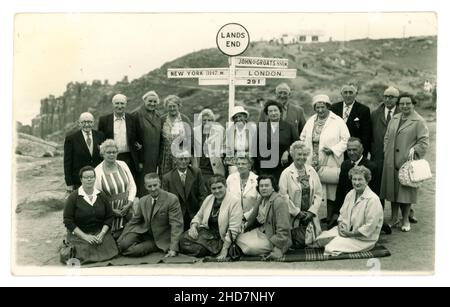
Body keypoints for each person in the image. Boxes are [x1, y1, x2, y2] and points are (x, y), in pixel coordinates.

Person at [380, 94, 429, 232]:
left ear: (413, 104)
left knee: (406, 192)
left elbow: (424, 142)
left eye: (408, 103)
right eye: (402, 104)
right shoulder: (395, 118)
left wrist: (414, 151)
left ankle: (405, 219)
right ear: (398, 105)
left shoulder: (418, 121)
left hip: (407, 162)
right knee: (392, 190)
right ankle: (394, 218)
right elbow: (387, 137)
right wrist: (386, 151)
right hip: (391, 161)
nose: (405, 106)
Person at [300, 94, 350, 224]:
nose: (320, 110)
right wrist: (304, 151)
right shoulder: (311, 120)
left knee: (331, 190)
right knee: (313, 189)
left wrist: (333, 149)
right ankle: (313, 218)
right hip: (312, 159)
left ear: (328, 106)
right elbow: (303, 137)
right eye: (317, 107)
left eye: (322, 107)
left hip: (330, 159)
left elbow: (346, 140)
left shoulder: (337, 120)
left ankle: (330, 218)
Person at [316, 166, 384, 256]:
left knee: (329, 248)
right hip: (347, 231)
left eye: (360, 179)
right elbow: (342, 214)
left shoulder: (373, 199)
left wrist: (350, 234)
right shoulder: (350, 194)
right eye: (354, 179)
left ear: (367, 181)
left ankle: (338, 241)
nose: (356, 183)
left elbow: (370, 227)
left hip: (363, 239)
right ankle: (338, 239)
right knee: (319, 240)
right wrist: (341, 227)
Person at [331, 137, 392, 233]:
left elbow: (376, 192)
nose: (351, 153)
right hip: (349, 205)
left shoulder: (372, 166)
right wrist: (335, 212)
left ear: (362, 150)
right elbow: (340, 190)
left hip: (364, 207)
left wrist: (379, 215)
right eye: (349, 150)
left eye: (354, 150)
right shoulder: (345, 165)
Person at [117, 173, 184, 257]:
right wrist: (121, 238)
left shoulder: (171, 199)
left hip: (160, 238)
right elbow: (134, 221)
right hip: (143, 232)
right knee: (122, 245)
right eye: (149, 186)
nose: (153, 189)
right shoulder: (143, 200)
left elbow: (176, 225)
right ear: (145, 186)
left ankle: (152, 247)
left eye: (155, 185)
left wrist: (173, 248)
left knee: (133, 251)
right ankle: (127, 246)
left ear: (160, 183)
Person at [63, 166, 118, 264]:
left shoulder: (101, 195)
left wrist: (102, 234)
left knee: (111, 250)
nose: (89, 179)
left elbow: (109, 216)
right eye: (86, 177)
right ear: (81, 179)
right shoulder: (73, 197)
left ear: (94, 178)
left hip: (98, 231)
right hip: (80, 233)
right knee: (83, 252)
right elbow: (68, 221)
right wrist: (85, 236)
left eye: (92, 177)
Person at [180, 175, 243, 260]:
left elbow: (233, 229)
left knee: (199, 249)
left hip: (222, 238)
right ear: (210, 189)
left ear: (225, 186)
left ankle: (208, 250)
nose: (217, 191)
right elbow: (199, 216)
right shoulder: (209, 198)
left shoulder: (234, 201)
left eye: (220, 187)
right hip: (207, 234)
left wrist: (225, 249)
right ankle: (204, 250)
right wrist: (193, 226)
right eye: (214, 188)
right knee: (182, 240)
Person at [279, 141, 323, 248]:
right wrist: (296, 212)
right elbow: (283, 196)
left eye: (304, 154)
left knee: (314, 241)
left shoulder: (311, 170)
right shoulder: (286, 173)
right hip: (293, 216)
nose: (302, 157)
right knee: (297, 242)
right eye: (299, 154)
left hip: (310, 215)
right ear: (293, 155)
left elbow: (318, 193)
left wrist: (312, 211)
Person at [236, 175, 291, 260]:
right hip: (262, 231)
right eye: (261, 186)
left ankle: (266, 248)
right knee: (238, 237)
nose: (263, 188)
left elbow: (284, 228)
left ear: (273, 188)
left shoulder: (279, 202)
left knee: (249, 248)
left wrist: (278, 248)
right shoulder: (262, 198)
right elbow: (253, 214)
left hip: (273, 236)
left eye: (267, 185)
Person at [94, 139, 137, 239]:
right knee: (112, 239)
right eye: (108, 152)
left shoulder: (123, 165)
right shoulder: (97, 171)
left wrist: (130, 203)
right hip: (109, 212)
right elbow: (97, 197)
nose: (112, 155)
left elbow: (132, 186)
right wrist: (111, 211)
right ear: (103, 154)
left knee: (129, 236)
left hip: (127, 209)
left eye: (114, 152)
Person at [98, 94, 142, 183]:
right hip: (112, 157)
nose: (119, 106)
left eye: (122, 103)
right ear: (113, 104)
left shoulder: (133, 119)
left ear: (126, 104)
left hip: (129, 157)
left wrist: (140, 161)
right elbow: (100, 141)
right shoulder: (104, 120)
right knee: (113, 182)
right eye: (117, 103)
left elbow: (139, 140)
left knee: (129, 182)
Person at [162, 150, 208, 231]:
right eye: (181, 159)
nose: (184, 162)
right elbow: (165, 201)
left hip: (194, 213)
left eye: (186, 159)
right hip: (177, 215)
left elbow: (202, 194)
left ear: (189, 159)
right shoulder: (167, 177)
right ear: (175, 160)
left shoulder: (196, 172)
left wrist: (202, 214)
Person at [64, 112, 105, 194]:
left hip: (98, 178)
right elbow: (67, 163)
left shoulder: (100, 136)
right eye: (84, 122)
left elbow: (103, 157)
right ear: (79, 123)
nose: (87, 124)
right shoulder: (71, 139)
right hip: (79, 180)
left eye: (89, 122)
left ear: (93, 123)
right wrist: (69, 183)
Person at [257, 99, 299, 180]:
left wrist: (287, 152)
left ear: (280, 112)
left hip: (284, 168)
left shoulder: (289, 127)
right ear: (267, 114)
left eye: (275, 110)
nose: (273, 113)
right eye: (270, 111)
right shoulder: (261, 128)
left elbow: (297, 144)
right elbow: (255, 149)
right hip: (265, 169)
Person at [133, 90, 163, 196]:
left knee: (152, 181)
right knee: (142, 182)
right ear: (144, 100)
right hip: (142, 156)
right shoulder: (137, 114)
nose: (152, 104)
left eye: (155, 102)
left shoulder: (158, 116)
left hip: (154, 156)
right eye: (150, 101)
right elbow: (132, 135)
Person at [330, 84, 371, 157]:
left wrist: (362, 154)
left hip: (354, 151)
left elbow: (366, 134)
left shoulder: (363, 110)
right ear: (341, 94)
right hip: (337, 150)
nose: (348, 95)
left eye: (350, 92)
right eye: (345, 92)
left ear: (356, 94)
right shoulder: (333, 108)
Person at [159, 95, 193, 176]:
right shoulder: (162, 119)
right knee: (165, 177)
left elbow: (190, 138)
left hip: (180, 154)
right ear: (166, 107)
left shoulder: (185, 119)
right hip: (165, 155)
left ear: (179, 106)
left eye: (174, 106)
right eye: (169, 106)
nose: (172, 108)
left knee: (179, 176)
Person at [192, 109, 226, 186]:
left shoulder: (220, 130)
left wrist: (221, 155)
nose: (207, 122)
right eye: (204, 120)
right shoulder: (195, 131)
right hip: (200, 167)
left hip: (215, 167)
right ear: (201, 121)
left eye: (209, 120)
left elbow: (225, 146)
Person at [226, 155, 260, 224]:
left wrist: (245, 216)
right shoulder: (231, 178)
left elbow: (259, 202)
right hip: (233, 217)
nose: (240, 166)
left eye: (243, 164)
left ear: (249, 166)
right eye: (238, 164)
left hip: (252, 218)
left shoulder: (257, 180)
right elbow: (227, 199)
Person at [225, 106, 257, 174]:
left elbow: (255, 146)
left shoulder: (252, 128)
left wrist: (249, 157)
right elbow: (228, 148)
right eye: (236, 117)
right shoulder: (230, 130)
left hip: (250, 158)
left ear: (245, 117)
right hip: (235, 159)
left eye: (240, 116)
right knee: (233, 171)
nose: (238, 119)